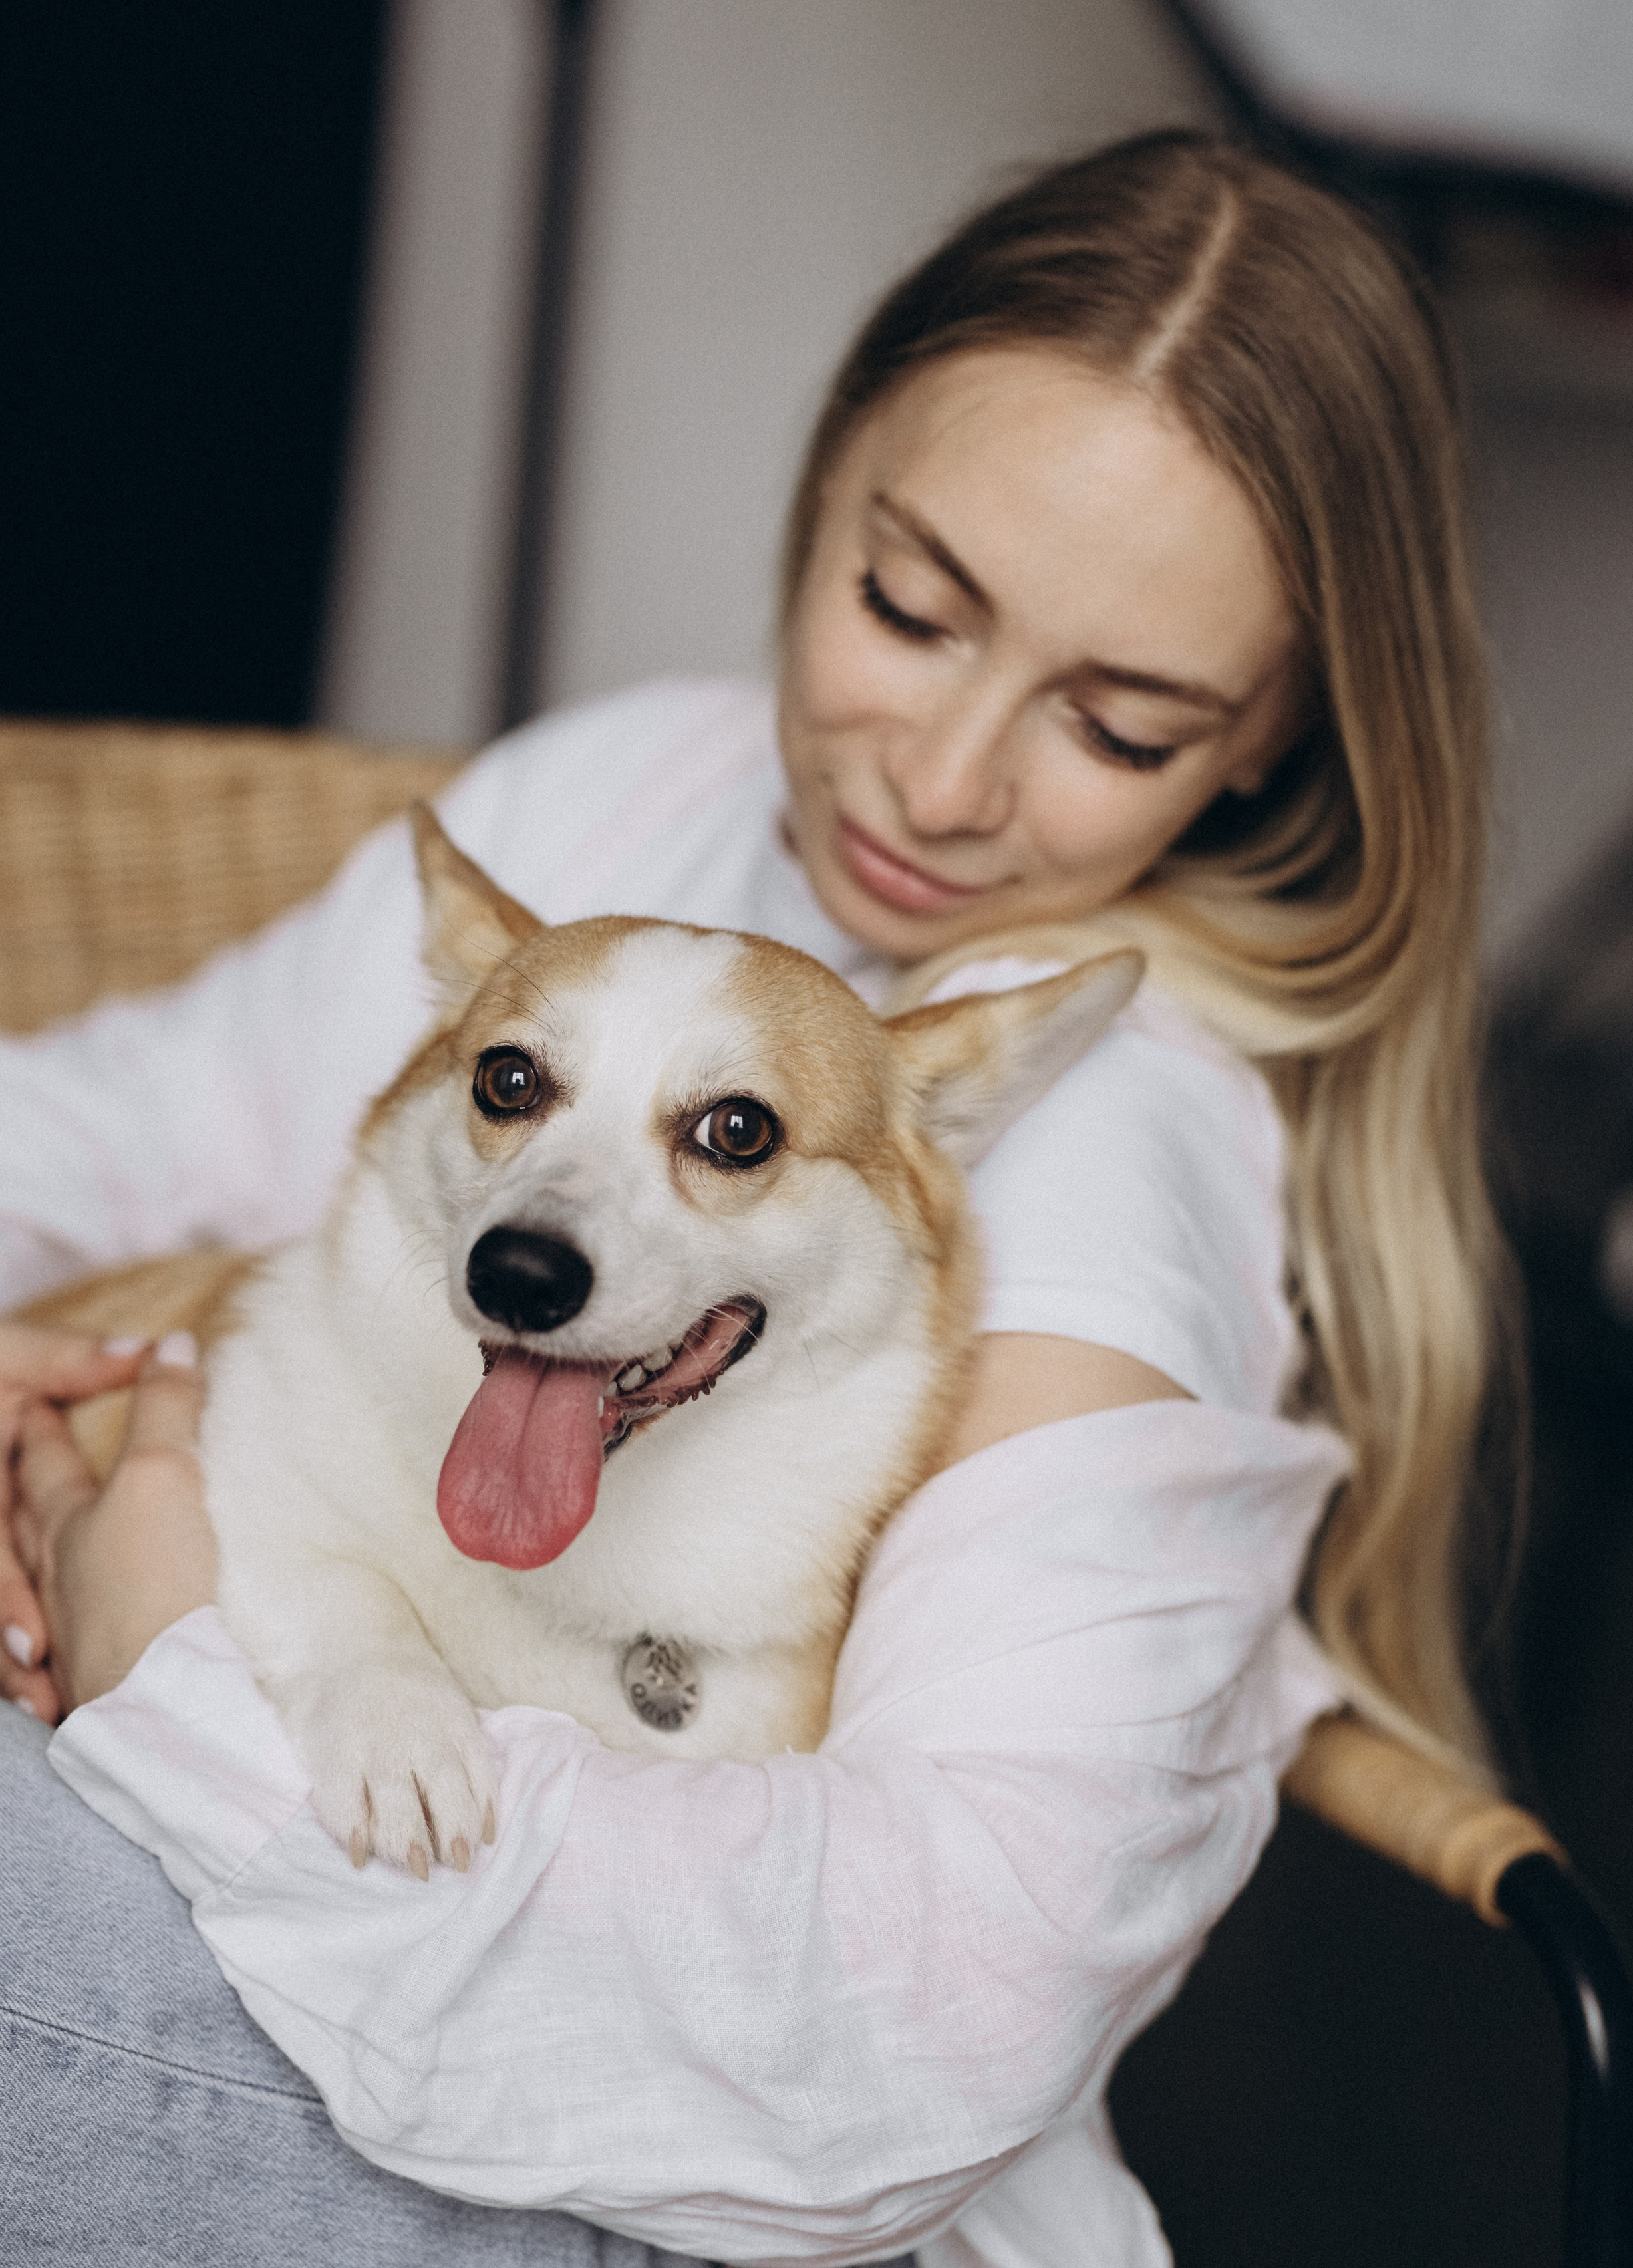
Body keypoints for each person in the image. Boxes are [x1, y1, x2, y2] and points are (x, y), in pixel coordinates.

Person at [0, 132, 1507, 2267]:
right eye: (909, 604)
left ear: (1266, 747)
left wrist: (188, 1687)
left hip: (660, 2165)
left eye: (1118, 719)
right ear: (821, 496)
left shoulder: (1102, 1127)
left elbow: (930, 2007)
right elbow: (126, 1115)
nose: (943, 777)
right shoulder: (635, 792)